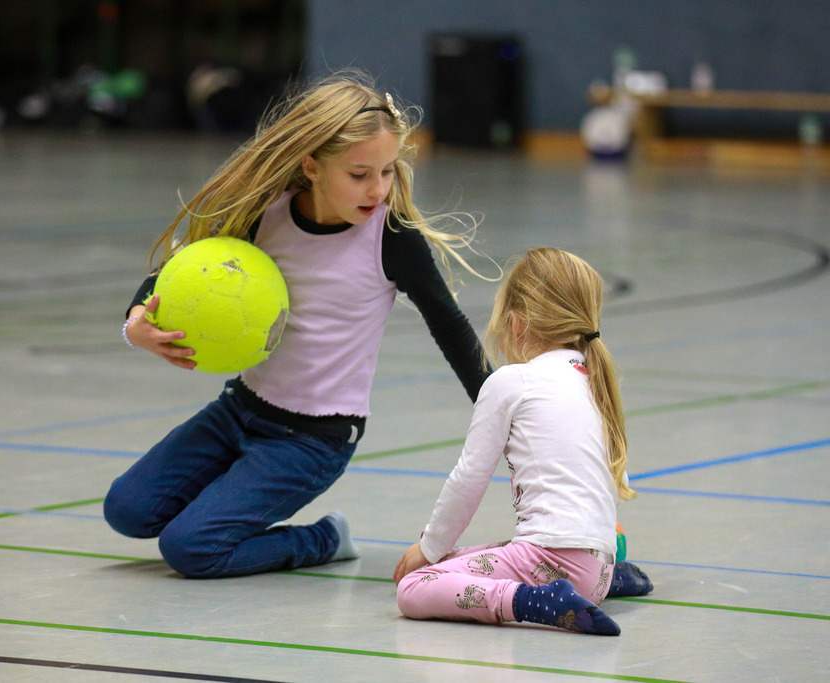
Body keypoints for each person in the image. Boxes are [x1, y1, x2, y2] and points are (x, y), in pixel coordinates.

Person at [104, 70, 492, 579]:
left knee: (191, 550)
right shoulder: (264, 213)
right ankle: (224, 508)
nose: (378, 189)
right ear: (311, 166)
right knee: (126, 511)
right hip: (238, 410)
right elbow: (175, 271)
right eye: (359, 174)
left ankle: (324, 539)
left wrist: (503, 410)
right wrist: (135, 321)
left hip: (313, 441)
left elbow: (451, 327)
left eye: (388, 171)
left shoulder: (391, 237)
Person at [394, 247, 653, 636]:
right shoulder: (591, 380)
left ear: (516, 323)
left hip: (552, 559)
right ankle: (608, 580)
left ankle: (534, 602)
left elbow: (469, 479)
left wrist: (427, 549)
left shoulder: (513, 382)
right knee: (459, 561)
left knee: (416, 586)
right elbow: (617, 480)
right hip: (596, 565)